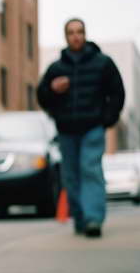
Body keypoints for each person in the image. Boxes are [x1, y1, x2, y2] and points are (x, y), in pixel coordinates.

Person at [37, 18, 125, 238]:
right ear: (66, 37)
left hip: (92, 128)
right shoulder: (56, 68)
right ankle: (80, 217)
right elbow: (42, 97)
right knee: (71, 176)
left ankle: (93, 219)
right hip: (66, 130)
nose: (76, 36)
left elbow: (117, 93)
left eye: (79, 31)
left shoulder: (103, 63)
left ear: (85, 34)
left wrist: (107, 119)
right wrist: (52, 89)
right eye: (71, 32)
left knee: (89, 169)